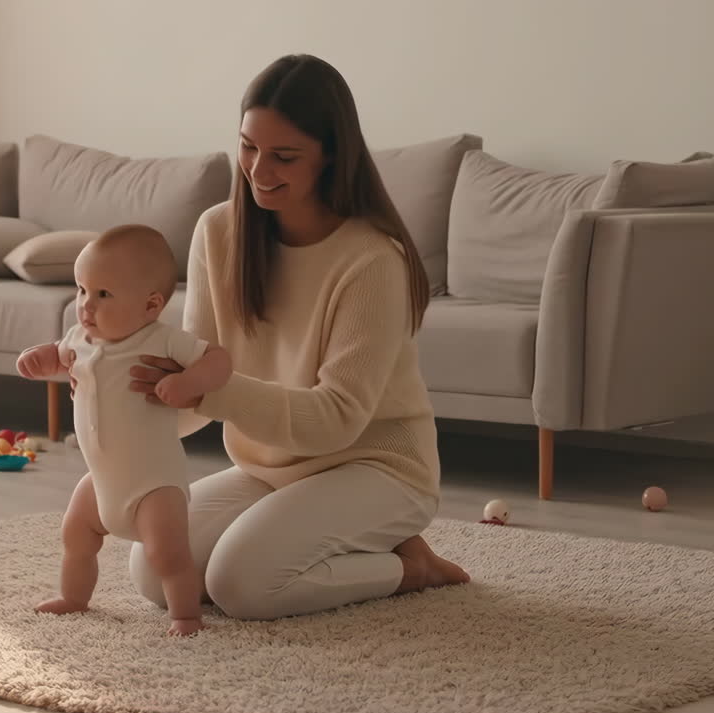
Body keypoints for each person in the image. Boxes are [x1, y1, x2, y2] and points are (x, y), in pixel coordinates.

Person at [125, 54, 470, 621]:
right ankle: (330, 538)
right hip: (271, 469)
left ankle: (412, 568)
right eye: (248, 147)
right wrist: (131, 394)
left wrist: (206, 388)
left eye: (284, 156)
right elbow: (192, 404)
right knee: (155, 570)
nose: (258, 171)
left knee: (242, 584)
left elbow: (336, 419)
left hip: (376, 467)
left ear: (331, 157)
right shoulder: (218, 231)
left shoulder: (371, 258)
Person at [16, 224, 232, 636]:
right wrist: (37, 360)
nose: (85, 305)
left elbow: (218, 360)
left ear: (150, 305)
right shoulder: (80, 337)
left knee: (167, 555)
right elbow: (57, 357)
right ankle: (74, 597)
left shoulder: (163, 341)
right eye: (82, 290)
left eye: (103, 294)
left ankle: (186, 615)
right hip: (101, 480)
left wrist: (189, 382)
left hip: (153, 486)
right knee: (75, 534)